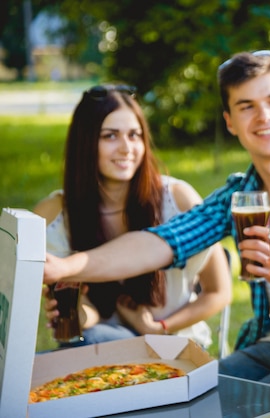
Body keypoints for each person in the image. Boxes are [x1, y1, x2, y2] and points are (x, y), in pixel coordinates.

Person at [42, 51, 270, 383]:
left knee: (246, 406)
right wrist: (66, 268)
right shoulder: (241, 196)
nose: (264, 116)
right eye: (246, 106)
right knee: (186, 395)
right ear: (230, 122)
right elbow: (163, 241)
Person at [34, 84, 232, 350]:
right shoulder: (55, 213)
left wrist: (159, 328)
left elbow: (219, 291)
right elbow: (90, 316)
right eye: (110, 136)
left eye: (135, 135)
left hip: (177, 349)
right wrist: (78, 315)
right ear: (86, 141)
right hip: (102, 346)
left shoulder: (178, 198)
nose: (127, 148)